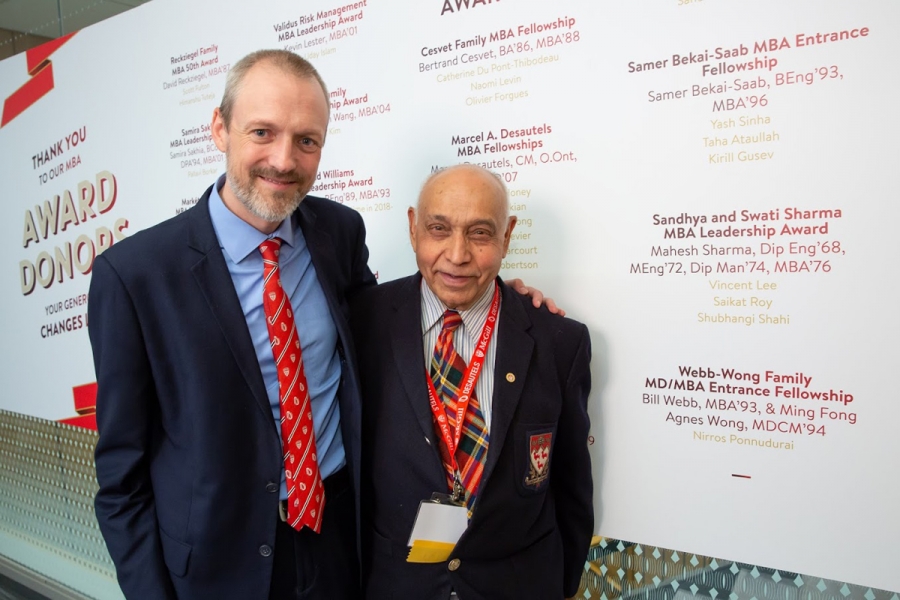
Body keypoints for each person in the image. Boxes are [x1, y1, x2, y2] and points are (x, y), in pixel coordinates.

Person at [88, 50, 554, 599]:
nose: (283, 160)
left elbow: (390, 324)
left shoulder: (337, 232)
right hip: (217, 562)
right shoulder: (135, 275)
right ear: (219, 128)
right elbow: (122, 475)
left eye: (306, 140)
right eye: (262, 132)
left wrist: (503, 303)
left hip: (339, 541)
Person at [350, 164, 594, 600]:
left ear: (507, 235)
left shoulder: (560, 341)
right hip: (396, 585)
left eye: (480, 233)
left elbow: (572, 490)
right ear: (412, 227)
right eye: (438, 229)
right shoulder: (358, 325)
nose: (457, 254)